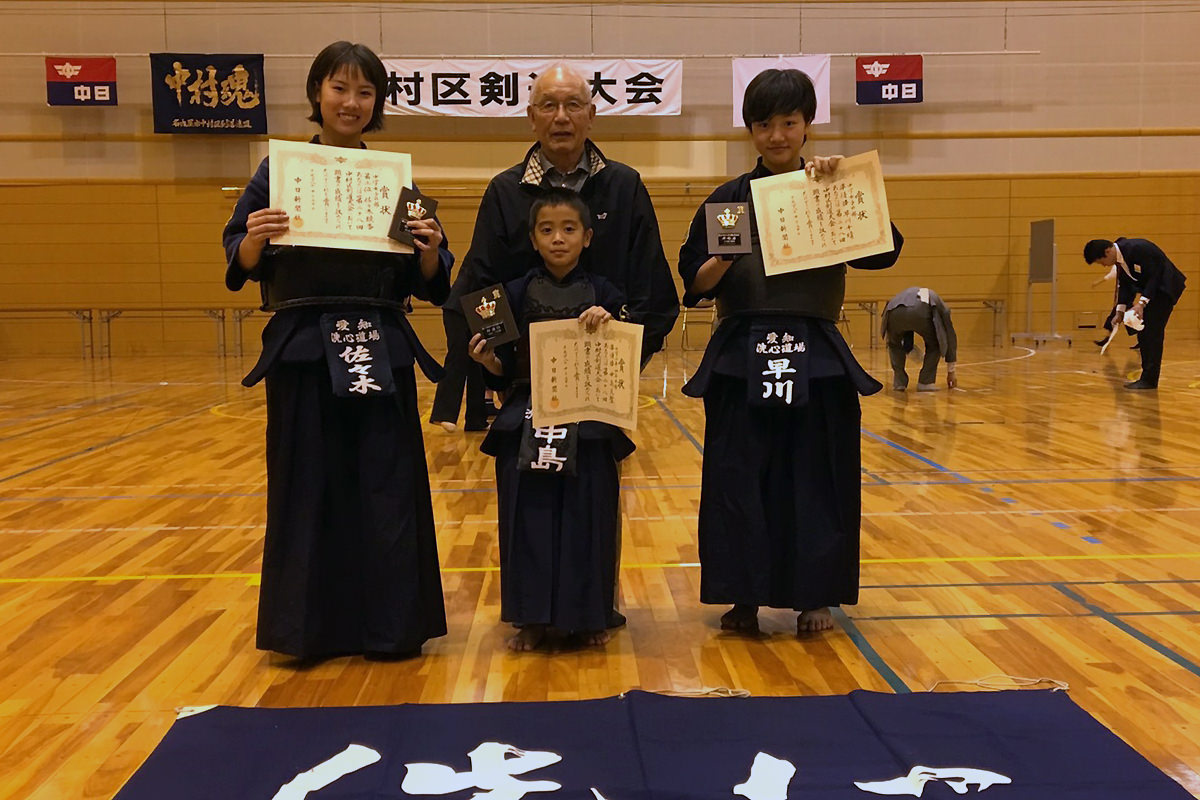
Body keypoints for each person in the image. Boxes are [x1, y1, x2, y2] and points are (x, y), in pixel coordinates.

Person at [222, 41, 452, 660]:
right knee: (307, 483)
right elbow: (238, 258)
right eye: (339, 88)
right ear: (316, 94)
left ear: (377, 103)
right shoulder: (278, 172)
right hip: (303, 348)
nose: (351, 103)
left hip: (380, 344)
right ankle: (307, 631)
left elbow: (434, 279)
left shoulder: (395, 181)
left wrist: (428, 245)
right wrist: (253, 238)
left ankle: (391, 627)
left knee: (387, 484)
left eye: (365, 92)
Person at [677, 68, 904, 636]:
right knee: (739, 478)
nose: (776, 135)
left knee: (817, 477)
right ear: (750, 130)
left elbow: (884, 252)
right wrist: (729, 255)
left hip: (818, 352)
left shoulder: (829, 184)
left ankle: (816, 596)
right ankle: (743, 596)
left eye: (789, 122)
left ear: (807, 126)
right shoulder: (728, 198)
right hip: (739, 350)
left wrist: (837, 187)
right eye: (763, 124)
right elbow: (695, 285)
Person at [467, 188, 632, 651]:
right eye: (547, 230)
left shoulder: (607, 294)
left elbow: (623, 356)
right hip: (526, 417)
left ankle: (590, 613)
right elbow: (502, 371)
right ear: (533, 240)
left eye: (568, 229)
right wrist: (485, 362)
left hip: (592, 421)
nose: (558, 239)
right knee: (529, 519)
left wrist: (611, 324)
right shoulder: (511, 295)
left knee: (589, 519)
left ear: (587, 236)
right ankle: (531, 618)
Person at [446, 63, 678, 367]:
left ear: (591, 115)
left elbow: (650, 282)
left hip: (610, 367)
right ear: (531, 117)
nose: (561, 117)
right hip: (526, 373)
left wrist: (631, 352)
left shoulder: (624, 186)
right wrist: (501, 366)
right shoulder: (505, 191)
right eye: (548, 106)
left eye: (573, 105)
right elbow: (483, 282)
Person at [1084, 238, 1186, 389]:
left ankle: (1149, 379)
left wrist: (1142, 303)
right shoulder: (1120, 260)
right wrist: (1119, 312)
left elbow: (1155, 276)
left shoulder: (1136, 249)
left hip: (1165, 288)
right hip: (1153, 291)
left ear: (1107, 251)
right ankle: (1147, 377)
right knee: (1143, 330)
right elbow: (1125, 286)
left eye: (1102, 262)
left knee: (1151, 331)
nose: (1104, 265)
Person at [880, 287, 958, 391]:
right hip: (920, 310)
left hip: (893, 310)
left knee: (894, 345)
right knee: (935, 345)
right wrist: (951, 371)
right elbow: (949, 335)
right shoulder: (940, 304)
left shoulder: (904, 294)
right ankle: (926, 382)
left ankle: (899, 383)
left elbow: (904, 317)